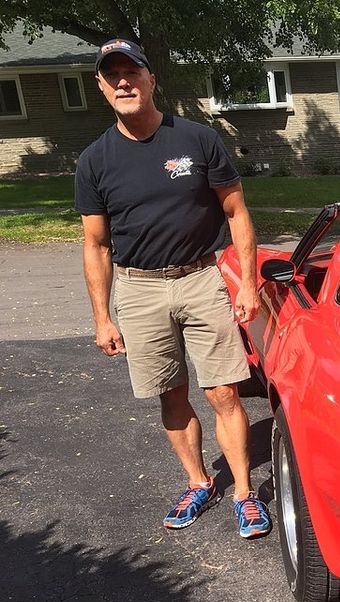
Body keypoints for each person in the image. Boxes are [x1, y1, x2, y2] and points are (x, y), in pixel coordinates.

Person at [75, 38, 271, 539]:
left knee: (224, 389)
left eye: (132, 71)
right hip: (139, 290)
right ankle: (199, 482)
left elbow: (236, 212)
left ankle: (245, 495)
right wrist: (102, 316)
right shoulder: (94, 161)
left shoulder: (197, 140)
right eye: (112, 75)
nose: (124, 81)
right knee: (170, 392)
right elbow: (96, 245)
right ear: (101, 87)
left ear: (150, 78)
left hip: (203, 278)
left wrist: (247, 283)